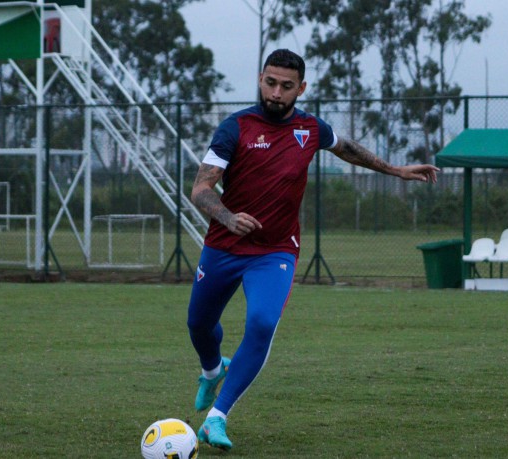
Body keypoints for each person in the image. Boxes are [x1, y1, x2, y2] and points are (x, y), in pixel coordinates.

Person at [186, 49, 439, 451]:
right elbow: (200, 189)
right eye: (270, 82)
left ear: (301, 88)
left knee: (263, 323)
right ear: (260, 79)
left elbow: (348, 148)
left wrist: (395, 170)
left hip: (274, 252)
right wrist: (229, 216)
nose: (276, 92)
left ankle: (218, 416)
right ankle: (212, 368)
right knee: (199, 324)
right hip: (225, 245)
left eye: (287, 86)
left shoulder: (310, 129)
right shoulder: (235, 128)